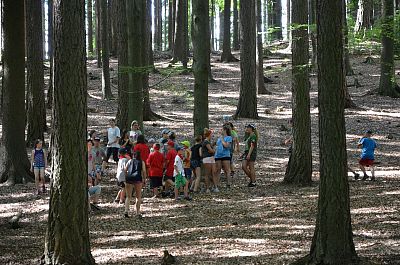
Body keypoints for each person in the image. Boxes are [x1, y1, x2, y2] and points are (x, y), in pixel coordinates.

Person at [124, 151, 146, 217]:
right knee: (138, 196)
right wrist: (144, 179)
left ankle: (126, 211)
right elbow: (144, 171)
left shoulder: (130, 161)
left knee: (128, 196)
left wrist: (126, 176)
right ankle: (137, 212)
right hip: (138, 178)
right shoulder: (142, 162)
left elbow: (125, 169)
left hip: (129, 178)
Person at [202, 128, 218, 193]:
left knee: (214, 172)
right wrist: (214, 150)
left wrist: (212, 148)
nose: (212, 135)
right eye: (211, 134)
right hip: (207, 158)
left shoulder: (209, 142)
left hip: (211, 158)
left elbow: (211, 150)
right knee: (207, 174)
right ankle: (207, 188)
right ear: (209, 134)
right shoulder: (206, 142)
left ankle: (215, 187)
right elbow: (211, 150)